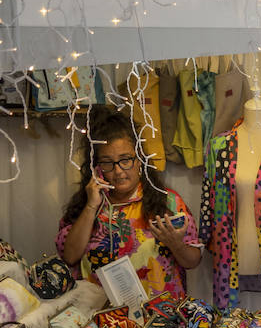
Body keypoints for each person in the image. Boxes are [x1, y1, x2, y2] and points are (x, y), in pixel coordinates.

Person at [57, 105, 202, 297]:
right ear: (96, 167)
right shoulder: (87, 204)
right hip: (101, 319)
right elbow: (69, 256)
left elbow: (193, 261)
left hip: (160, 318)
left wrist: (176, 244)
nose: (118, 171)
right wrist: (91, 206)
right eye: (108, 162)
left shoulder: (168, 201)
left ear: (139, 159)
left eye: (125, 160)